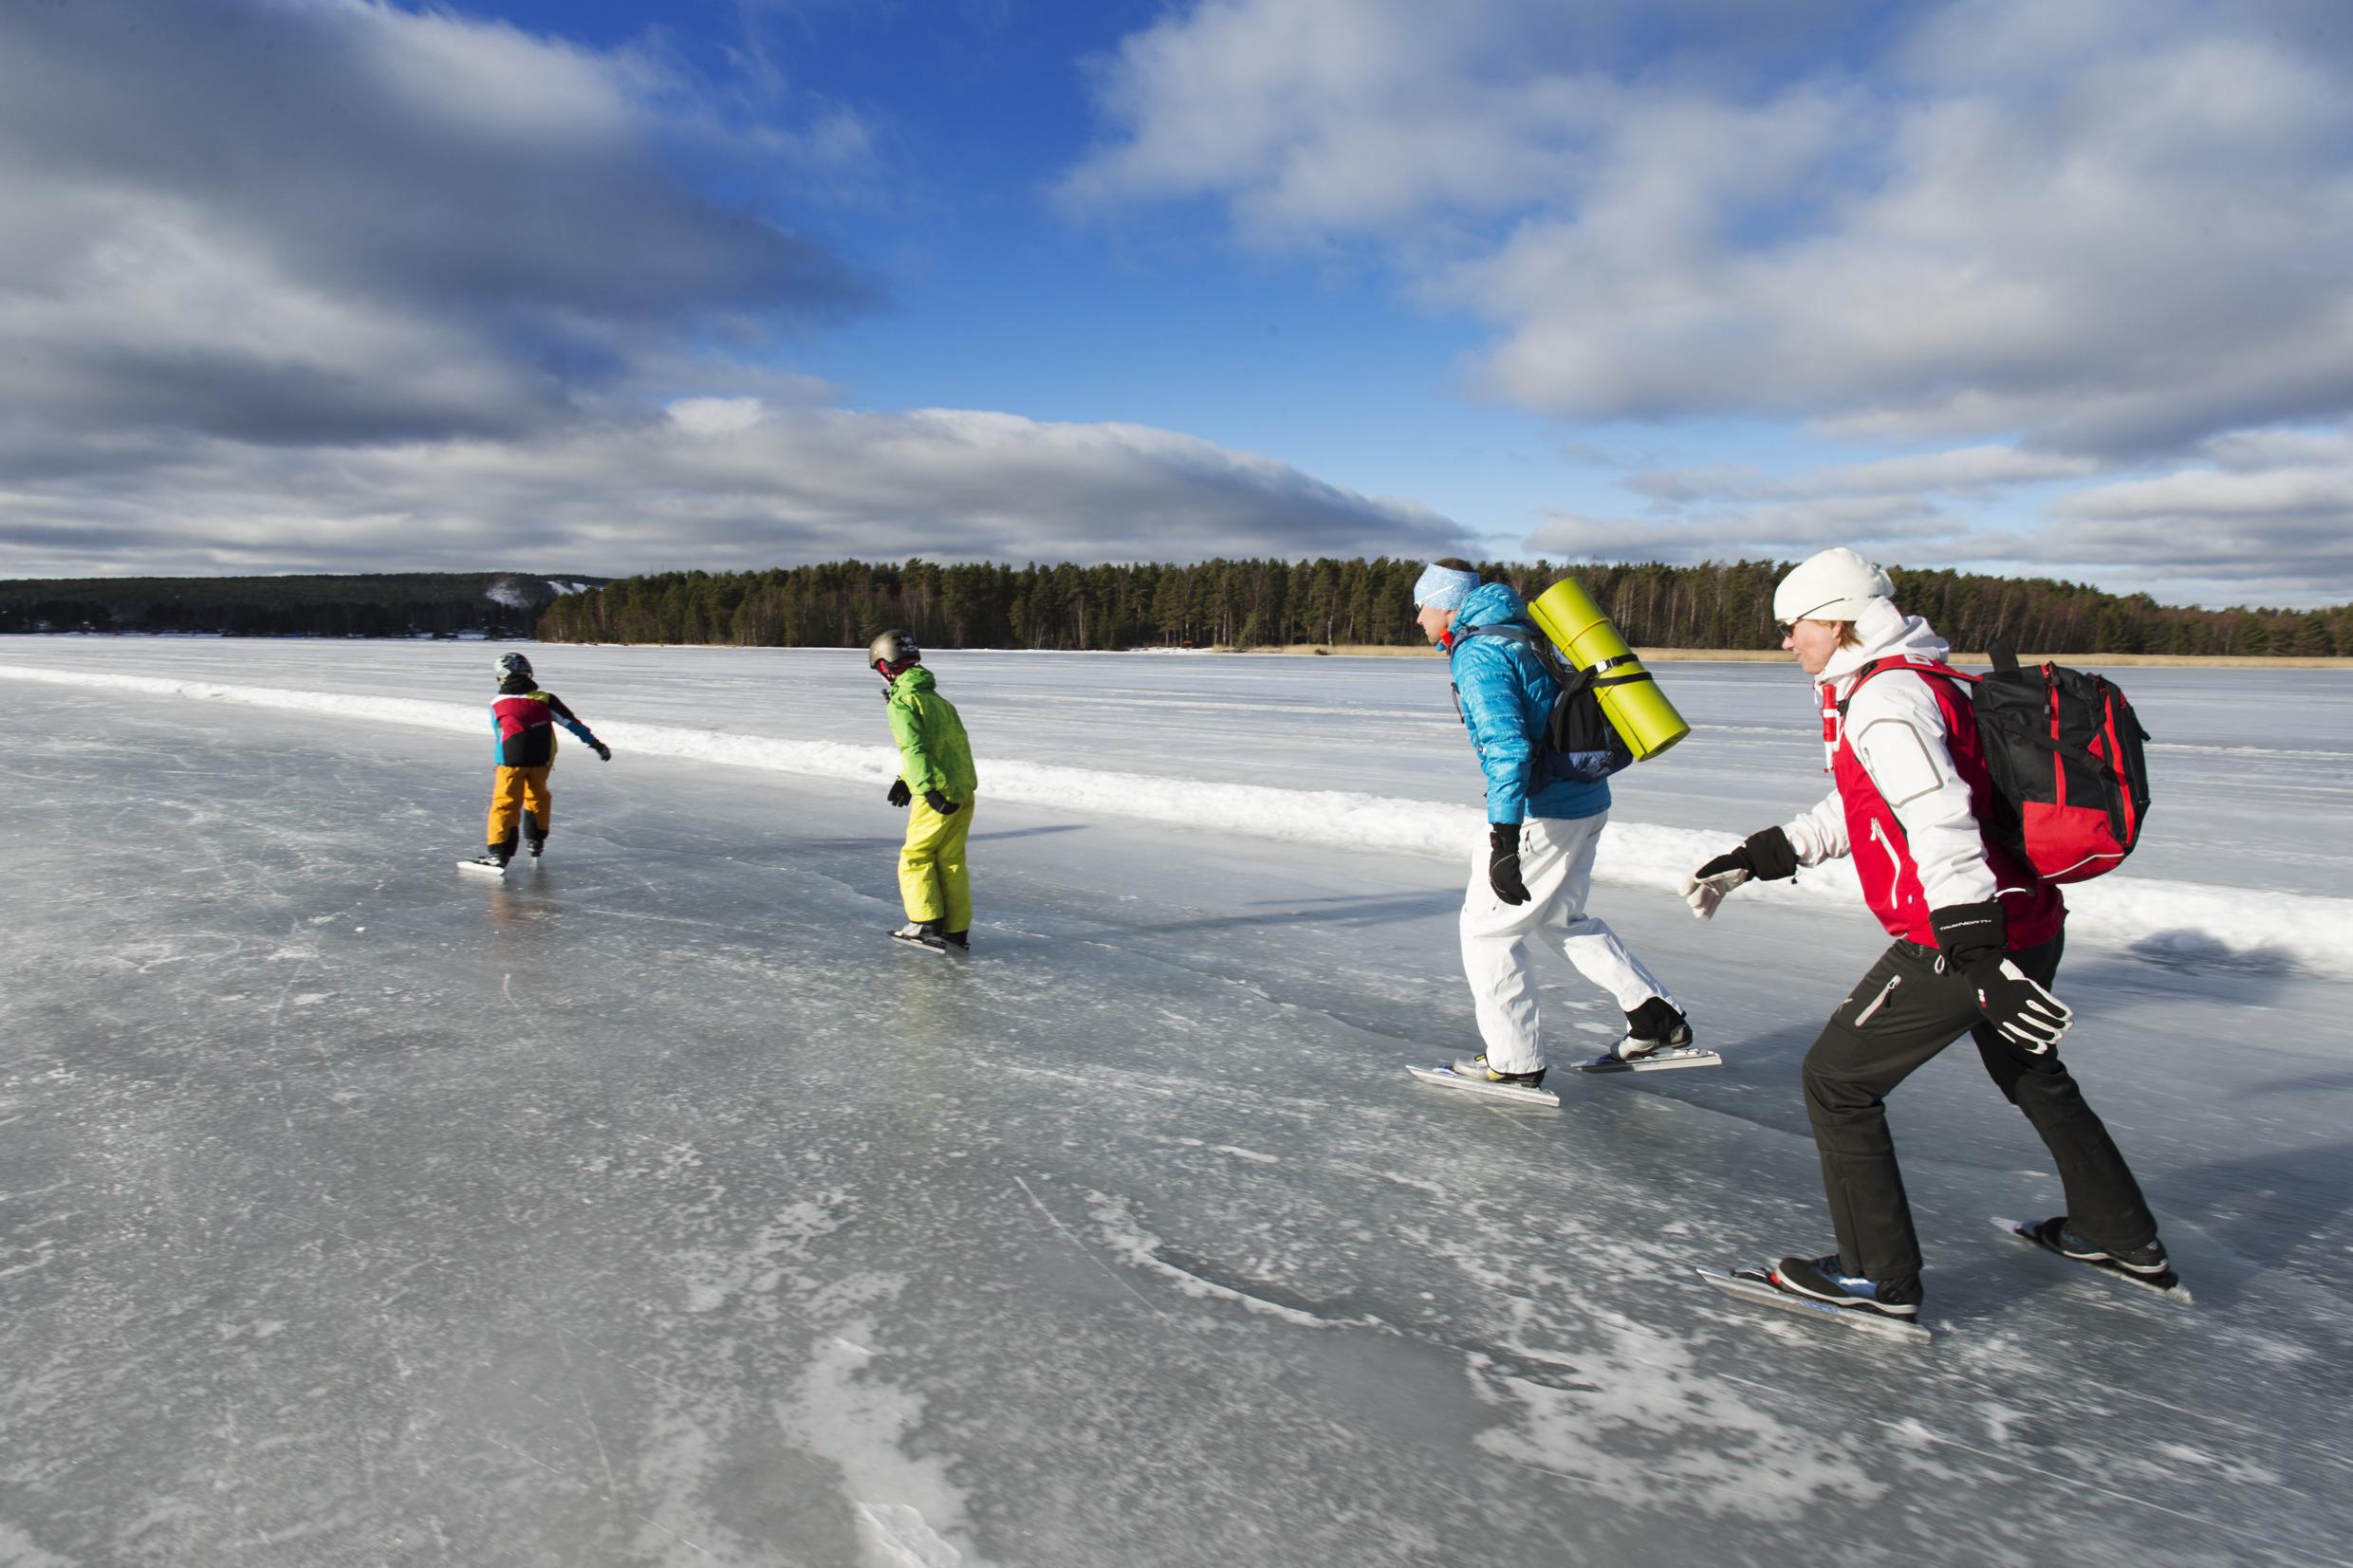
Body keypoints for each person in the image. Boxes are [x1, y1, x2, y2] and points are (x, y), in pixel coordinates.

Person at [1683, 547, 2170, 1322]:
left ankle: (1877, 1277)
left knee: (1837, 1080)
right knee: (2031, 1072)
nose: (1785, 642)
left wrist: (1978, 958)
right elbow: (1867, 804)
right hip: (2029, 919)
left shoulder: (1886, 700)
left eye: (1792, 625)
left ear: (1835, 619)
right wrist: (1759, 855)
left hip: (1964, 933)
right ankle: (2119, 1233)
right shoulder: (1922, 679)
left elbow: (1939, 820)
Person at [1414, 560, 1692, 1089]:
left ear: (1446, 604)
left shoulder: (1479, 653)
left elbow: (1507, 748)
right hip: (1587, 799)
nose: (1419, 619)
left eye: (1422, 607)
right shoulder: (1522, 631)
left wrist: (1504, 841)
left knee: (1487, 933)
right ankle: (1655, 1020)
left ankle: (1514, 1063)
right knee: (1561, 920)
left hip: (1546, 812)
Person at [871, 630, 978, 953]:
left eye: (879, 668)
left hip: (938, 792)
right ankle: (956, 930)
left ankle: (924, 924)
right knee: (951, 859)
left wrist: (926, 789)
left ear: (886, 664)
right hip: (963, 789)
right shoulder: (937, 700)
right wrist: (907, 778)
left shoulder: (903, 701)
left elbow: (914, 747)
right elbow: (942, 747)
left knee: (915, 856)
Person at [467, 651, 609, 872]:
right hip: (542, 760)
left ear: (500, 676)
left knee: (505, 803)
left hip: (510, 761)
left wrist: (499, 760)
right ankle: (536, 841)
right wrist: (596, 744)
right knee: (538, 797)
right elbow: (572, 724)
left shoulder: (497, 703)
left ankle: (499, 854)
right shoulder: (545, 698)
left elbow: (500, 735)